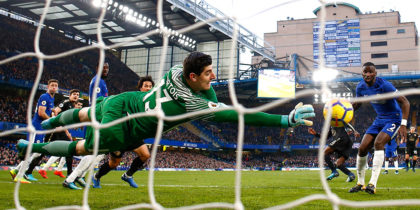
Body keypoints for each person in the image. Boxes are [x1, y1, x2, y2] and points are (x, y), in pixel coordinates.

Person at [17, 52, 315, 177]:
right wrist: (284, 120)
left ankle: (50, 122)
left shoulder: (175, 72)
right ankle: (37, 147)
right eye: (209, 73)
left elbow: (213, 97)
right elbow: (240, 114)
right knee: (85, 147)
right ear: (193, 76)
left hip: (125, 100)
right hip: (127, 127)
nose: (214, 76)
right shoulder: (193, 104)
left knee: (84, 112)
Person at [349, 62, 409, 194]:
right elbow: (357, 104)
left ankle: (372, 184)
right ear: (362, 73)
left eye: (371, 72)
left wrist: (403, 124)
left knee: (378, 143)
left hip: (394, 118)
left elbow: (405, 101)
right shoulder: (360, 87)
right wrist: (346, 110)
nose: (368, 74)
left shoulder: (385, 85)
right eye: (366, 71)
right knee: (362, 148)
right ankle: (360, 183)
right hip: (379, 119)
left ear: (375, 74)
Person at [93, 76, 155, 188]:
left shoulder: (151, 103)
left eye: (150, 86)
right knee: (114, 163)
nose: (148, 88)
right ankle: (96, 177)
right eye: (146, 86)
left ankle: (128, 175)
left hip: (133, 135)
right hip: (121, 134)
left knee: (145, 155)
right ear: (140, 88)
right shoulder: (132, 98)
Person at [61, 64, 110, 190]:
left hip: (98, 118)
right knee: (95, 151)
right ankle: (71, 178)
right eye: (103, 67)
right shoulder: (98, 81)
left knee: (101, 152)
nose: (105, 70)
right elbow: (99, 103)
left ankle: (79, 176)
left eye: (107, 68)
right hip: (97, 119)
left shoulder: (101, 82)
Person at [10, 79, 58, 183]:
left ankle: (16, 170)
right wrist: (51, 120)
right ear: (47, 87)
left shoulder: (51, 98)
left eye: (55, 86)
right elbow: (41, 113)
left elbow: (48, 108)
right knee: (32, 151)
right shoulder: (45, 96)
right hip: (36, 127)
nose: (54, 87)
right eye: (52, 85)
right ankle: (19, 175)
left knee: (36, 152)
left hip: (41, 128)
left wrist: (54, 110)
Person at [38, 89, 80, 179]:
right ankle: (68, 174)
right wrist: (56, 124)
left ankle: (63, 171)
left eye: (77, 94)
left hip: (60, 130)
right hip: (56, 129)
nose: (76, 96)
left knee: (48, 150)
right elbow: (55, 112)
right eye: (74, 94)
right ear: (70, 95)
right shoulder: (65, 102)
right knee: (66, 149)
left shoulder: (71, 106)